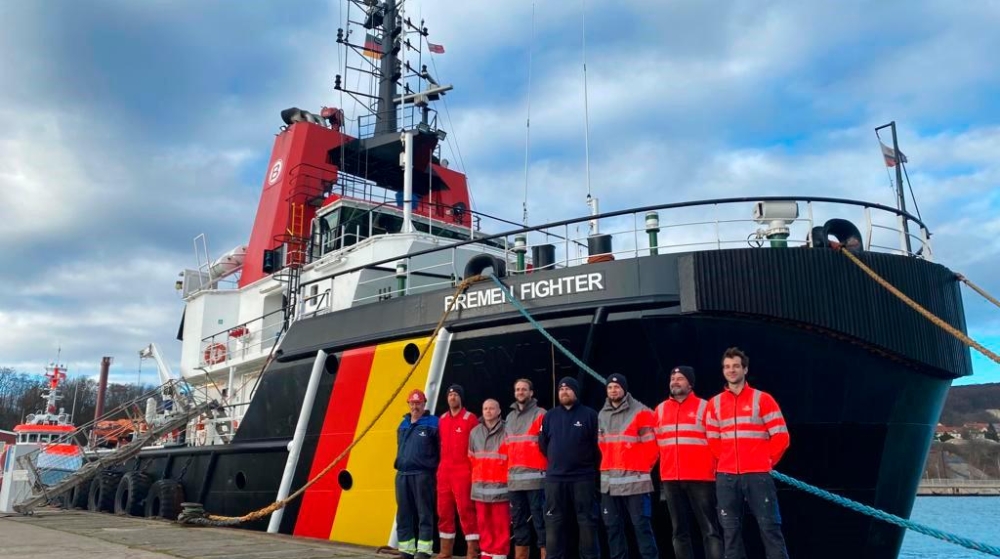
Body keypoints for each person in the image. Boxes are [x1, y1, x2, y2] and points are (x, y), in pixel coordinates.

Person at [706, 348, 791, 559]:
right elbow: (713, 439)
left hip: (757, 475)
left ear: (745, 369)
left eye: (735, 366)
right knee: (730, 531)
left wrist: (765, 461)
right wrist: (726, 459)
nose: (731, 370)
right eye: (727, 367)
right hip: (726, 476)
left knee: (770, 528)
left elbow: (781, 436)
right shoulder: (714, 404)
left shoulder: (763, 399)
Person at [655, 366, 723, 559]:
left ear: (690, 383)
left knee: (710, 529)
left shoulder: (705, 407)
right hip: (670, 479)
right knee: (679, 531)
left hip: (700, 477)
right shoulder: (660, 410)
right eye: (672, 378)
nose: (675, 381)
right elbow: (656, 444)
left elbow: (716, 441)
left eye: (680, 378)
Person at [597, 374, 659, 559]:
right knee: (612, 528)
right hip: (609, 484)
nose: (613, 390)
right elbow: (602, 445)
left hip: (636, 483)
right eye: (610, 387)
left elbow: (652, 449)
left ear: (624, 389)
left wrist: (640, 469)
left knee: (641, 527)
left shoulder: (641, 412)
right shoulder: (602, 414)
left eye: (616, 387)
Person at [538, 376, 600, 559]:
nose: (564, 392)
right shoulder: (549, 416)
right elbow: (543, 444)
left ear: (576, 392)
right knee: (553, 523)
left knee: (587, 523)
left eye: (568, 389)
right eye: (561, 389)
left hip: (583, 478)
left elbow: (598, 446)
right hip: (555, 479)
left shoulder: (590, 415)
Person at [394, 389, 440, 559]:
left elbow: (440, 448)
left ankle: (424, 550)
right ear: (409, 404)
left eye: (418, 403)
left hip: (422, 474)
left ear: (424, 404)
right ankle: (406, 549)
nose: (415, 406)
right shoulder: (403, 424)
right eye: (412, 403)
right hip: (403, 474)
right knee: (403, 513)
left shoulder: (433, 423)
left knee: (424, 512)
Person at [505, 379, 547, 559]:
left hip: (536, 479)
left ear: (531, 393)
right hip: (514, 482)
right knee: (518, 524)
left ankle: (546, 555)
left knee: (541, 522)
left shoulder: (541, 414)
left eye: (524, 389)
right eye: (517, 389)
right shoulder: (509, 417)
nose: (520, 392)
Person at [438, 384, 481, 559]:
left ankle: (472, 551)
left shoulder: (470, 419)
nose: (452, 397)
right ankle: (445, 550)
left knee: (466, 509)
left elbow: (477, 447)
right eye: (450, 395)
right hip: (444, 472)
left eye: (456, 395)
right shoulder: (442, 419)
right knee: (443, 510)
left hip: (463, 471)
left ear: (461, 398)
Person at [469, 399, 510, 559]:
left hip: (501, 487)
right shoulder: (475, 432)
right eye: (485, 408)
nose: (488, 411)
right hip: (480, 487)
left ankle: (500, 553)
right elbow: (471, 458)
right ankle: (486, 552)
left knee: (500, 523)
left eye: (492, 408)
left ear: (499, 411)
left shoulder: (507, 430)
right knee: (483, 523)